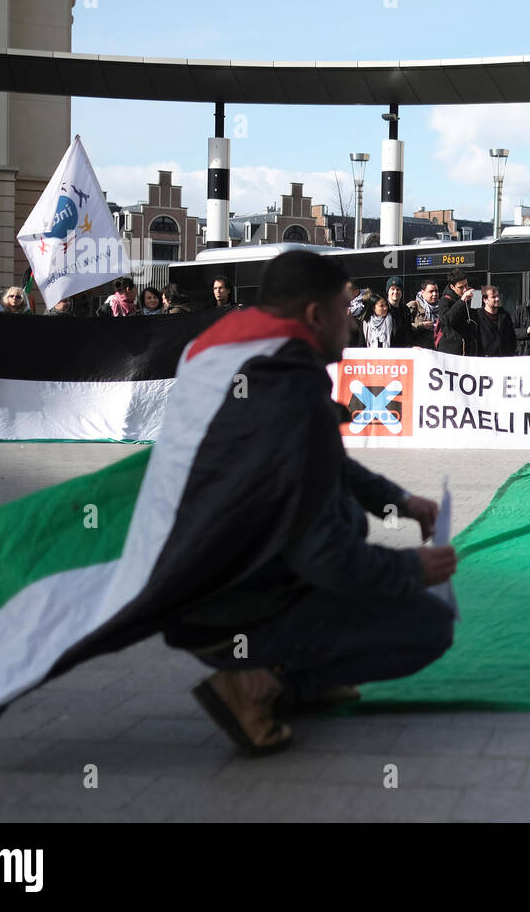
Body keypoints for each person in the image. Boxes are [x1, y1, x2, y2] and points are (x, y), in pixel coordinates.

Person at [149, 250, 456, 754]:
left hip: (206, 593)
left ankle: (292, 679)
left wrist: (398, 501)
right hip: (233, 609)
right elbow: (327, 557)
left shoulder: (260, 364)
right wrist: (412, 569)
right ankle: (257, 682)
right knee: (428, 625)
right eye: (344, 306)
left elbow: (327, 463)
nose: (351, 319)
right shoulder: (290, 394)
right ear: (316, 316)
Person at [435, 273, 479, 356]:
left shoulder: (473, 294)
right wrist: (462, 301)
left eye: (466, 285)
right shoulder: (445, 300)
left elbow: (479, 317)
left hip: (470, 347)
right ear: (452, 287)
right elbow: (447, 320)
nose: (465, 290)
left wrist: (477, 298)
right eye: (461, 287)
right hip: (452, 349)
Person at [473, 285, 517, 357]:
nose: (497, 299)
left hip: (504, 359)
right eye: (493, 297)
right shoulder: (477, 316)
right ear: (485, 300)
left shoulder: (505, 315)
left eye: (497, 296)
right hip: (485, 360)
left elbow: (512, 338)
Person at [408, 280, 438, 349]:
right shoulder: (414, 305)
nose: (435, 294)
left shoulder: (441, 306)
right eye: (431, 291)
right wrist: (422, 325)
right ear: (423, 292)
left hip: (437, 350)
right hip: (421, 350)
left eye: (436, 291)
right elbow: (405, 327)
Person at [384, 277, 413, 347]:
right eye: (392, 289)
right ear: (388, 291)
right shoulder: (383, 309)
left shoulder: (406, 310)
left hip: (403, 350)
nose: (395, 292)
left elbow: (408, 332)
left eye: (398, 289)